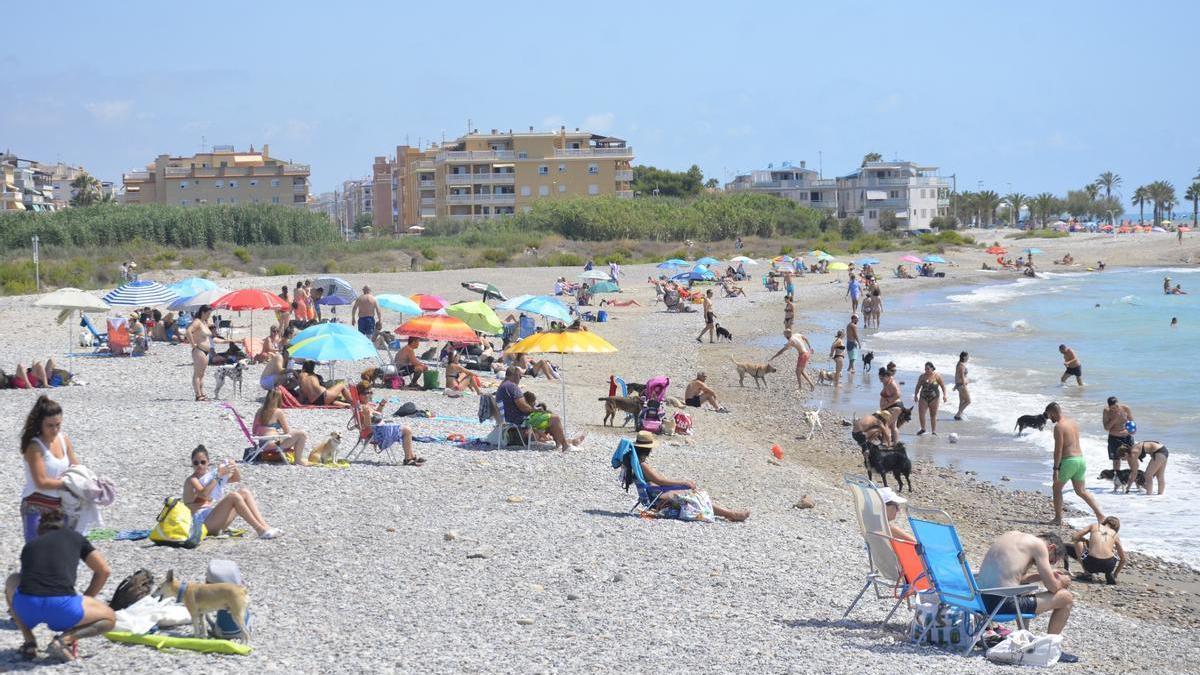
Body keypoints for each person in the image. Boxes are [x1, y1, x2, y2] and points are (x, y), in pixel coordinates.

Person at [4, 509, 114, 662]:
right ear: (64, 526)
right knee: (109, 618)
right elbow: (104, 571)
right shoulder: (75, 537)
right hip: (63, 609)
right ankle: (64, 640)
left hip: (27, 607)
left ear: (39, 530)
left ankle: (29, 642)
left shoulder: (30, 545)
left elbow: (28, 579)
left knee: (12, 579)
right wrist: (87, 598)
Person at [975, 531, 1077, 651]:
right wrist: (1063, 582)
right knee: (1066, 598)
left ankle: (1024, 636)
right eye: (1051, 561)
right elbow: (1053, 588)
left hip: (980, 601)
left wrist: (1042, 575)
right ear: (1051, 547)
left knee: (1025, 589)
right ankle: (1050, 648)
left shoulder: (1011, 536)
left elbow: (1014, 578)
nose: (1050, 564)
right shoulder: (1039, 545)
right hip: (1000, 605)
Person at [621, 431, 749, 521]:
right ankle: (730, 514)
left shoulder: (635, 463)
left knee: (696, 494)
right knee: (698, 495)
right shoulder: (643, 465)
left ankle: (729, 513)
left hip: (654, 494)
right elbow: (659, 481)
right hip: (658, 497)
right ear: (648, 449)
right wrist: (683, 483)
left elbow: (657, 481)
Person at [184, 445, 281, 539]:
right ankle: (260, 530)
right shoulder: (192, 480)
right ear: (192, 464)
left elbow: (236, 479)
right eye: (196, 463)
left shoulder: (209, 477)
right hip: (200, 524)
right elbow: (203, 494)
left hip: (212, 520)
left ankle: (265, 526)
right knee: (233, 496)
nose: (199, 465)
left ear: (208, 463)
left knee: (244, 492)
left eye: (203, 462)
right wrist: (218, 475)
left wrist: (233, 467)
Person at [20, 396, 80, 543]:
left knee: (59, 554)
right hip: (35, 507)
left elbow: (76, 467)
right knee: (37, 555)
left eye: (58, 425)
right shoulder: (34, 447)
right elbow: (41, 482)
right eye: (50, 425)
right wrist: (68, 483)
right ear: (40, 424)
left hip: (61, 506)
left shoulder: (63, 439)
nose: (55, 430)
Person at [495, 366, 584, 452]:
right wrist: (535, 410)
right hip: (520, 420)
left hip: (510, 418)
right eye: (520, 376)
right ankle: (565, 445)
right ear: (514, 375)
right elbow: (523, 407)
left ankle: (562, 442)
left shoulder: (502, 386)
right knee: (555, 418)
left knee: (548, 417)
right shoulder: (512, 386)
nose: (520, 379)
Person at [1046, 402, 1105, 525]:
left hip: (1068, 461)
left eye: (1049, 415)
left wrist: (1056, 468)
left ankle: (1058, 519)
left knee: (1056, 488)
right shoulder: (1072, 423)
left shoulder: (1059, 427)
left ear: (1053, 413)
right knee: (1081, 491)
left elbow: (1059, 449)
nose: (1049, 418)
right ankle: (1100, 515)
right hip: (1080, 460)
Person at [354, 382, 424, 465]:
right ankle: (408, 459)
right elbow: (367, 426)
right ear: (359, 394)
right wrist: (366, 415)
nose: (368, 395)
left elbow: (377, 414)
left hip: (379, 430)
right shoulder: (362, 407)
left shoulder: (367, 404)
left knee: (406, 429)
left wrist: (381, 405)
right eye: (366, 393)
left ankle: (411, 456)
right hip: (375, 434)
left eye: (370, 392)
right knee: (407, 430)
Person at [253, 389, 311, 465]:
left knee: (298, 434)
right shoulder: (278, 412)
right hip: (273, 444)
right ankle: (298, 460)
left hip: (262, 444)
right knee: (301, 434)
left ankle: (297, 459)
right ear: (279, 399)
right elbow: (287, 432)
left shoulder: (259, 411)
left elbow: (254, 431)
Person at [187, 305, 232, 402]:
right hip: (199, 349)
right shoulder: (197, 322)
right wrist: (193, 344)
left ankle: (202, 392)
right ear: (203, 312)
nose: (209, 315)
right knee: (197, 374)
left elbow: (209, 337)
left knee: (202, 374)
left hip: (206, 351)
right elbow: (189, 331)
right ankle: (198, 394)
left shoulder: (204, 323)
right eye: (208, 313)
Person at [1065, 517, 1126, 585]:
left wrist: (1085, 540)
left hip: (1091, 564)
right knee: (1113, 552)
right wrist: (1115, 575)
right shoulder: (1115, 534)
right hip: (1108, 566)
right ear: (1116, 528)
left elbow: (1074, 536)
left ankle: (1087, 573)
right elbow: (1123, 559)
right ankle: (1109, 574)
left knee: (1077, 541)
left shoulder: (1094, 525)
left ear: (1105, 522)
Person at [1102, 396, 1134, 476]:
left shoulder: (1125, 408)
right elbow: (1106, 428)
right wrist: (1114, 419)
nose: (1115, 409)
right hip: (1114, 438)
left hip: (1127, 437)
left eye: (1116, 406)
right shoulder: (1106, 411)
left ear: (1118, 403)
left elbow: (1131, 421)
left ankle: (1133, 478)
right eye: (1112, 408)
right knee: (1116, 460)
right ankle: (1117, 479)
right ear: (1109, 406)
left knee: (1131, 458)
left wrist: (1132, 430)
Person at [913, 361, 947, 436]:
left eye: (928, 369)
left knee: (933, 415)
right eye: (925, 369)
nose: (926, 370)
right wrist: (916, 395)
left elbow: (943, 386)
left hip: (934, 398)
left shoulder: (937, 376)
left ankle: (934, 431)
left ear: (932, 368)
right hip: (923, 397)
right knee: (921, 413)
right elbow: (918, 386)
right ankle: (923, 429)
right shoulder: (922, 376)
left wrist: (945, 395)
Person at [953, 352, 971, 420]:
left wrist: (956, 385)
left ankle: (959, 415)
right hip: (962, 386)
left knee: (962, 401)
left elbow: (956, 375)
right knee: (968, 401)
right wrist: (964, 385)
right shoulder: (961, 366)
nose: (968, 358)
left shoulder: (959, 364)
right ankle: (958, 414)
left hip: (959, 385)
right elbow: (961, 377)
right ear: (964, 357)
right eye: (967, 357)